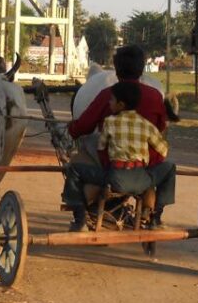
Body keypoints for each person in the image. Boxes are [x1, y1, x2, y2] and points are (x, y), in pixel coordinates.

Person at [62, 44, 169, 230]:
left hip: (114, 167)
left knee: (74, 167)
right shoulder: (155, 96)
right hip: (145, 165)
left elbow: (84, 127)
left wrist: (72, 129)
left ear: (116, 71)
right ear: (142, 70)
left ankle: (79, 218)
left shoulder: (107, 96)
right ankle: (155, 216)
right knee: (167, 168)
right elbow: (161, 130)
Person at [96, 81, 175, 229]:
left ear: (121, 104)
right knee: (170, 168)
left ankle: (80, 216)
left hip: (116, 179)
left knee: (78, 170)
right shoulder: (146, 124)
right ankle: (155, 215)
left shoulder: (109, 122)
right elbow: (163, 150)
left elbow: (100, 147)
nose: (109, 102)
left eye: (112, 100)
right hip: (141, 180)